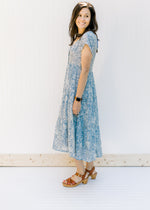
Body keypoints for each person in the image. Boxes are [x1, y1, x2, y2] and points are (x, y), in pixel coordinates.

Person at [52, 1, 103, 187]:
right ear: (75, 17)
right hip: (75, 90)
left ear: (91, 19)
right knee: (84, 128)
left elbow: (85, 70)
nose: (82, 19)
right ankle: (90, 168)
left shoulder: (88, 37)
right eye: (80, 15)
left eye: (86, 16)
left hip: (80, 92)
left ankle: (80, 173)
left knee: (78, 128)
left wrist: (77, 99)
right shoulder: (79, 37)